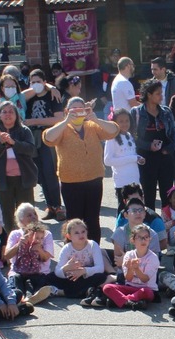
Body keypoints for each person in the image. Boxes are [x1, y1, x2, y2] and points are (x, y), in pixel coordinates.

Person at [42, 97, 118, 243]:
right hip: (71, 183)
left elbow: (114, 130)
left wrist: (95, 118)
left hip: (94, 180)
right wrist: (65, 121)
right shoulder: (62, 128)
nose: (77, 113)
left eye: (80, 110)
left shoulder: (92, 125)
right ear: (66, 111)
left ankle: (94, 251)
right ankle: (73, 252)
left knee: (93, 219)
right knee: (74, 221)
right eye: (73, 110)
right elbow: (48, 138)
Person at [0, 101, 37, 236]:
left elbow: (31, 150)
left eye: (11, 112)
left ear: (16, 115)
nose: (8, 115)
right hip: (3, 179)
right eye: (4, 112)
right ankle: (9, 242)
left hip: (24, 178)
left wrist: (14, 143)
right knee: (6, 213)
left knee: (27, 213)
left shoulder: (24, 130)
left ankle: (30, 240)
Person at [23, 69, 64, 221]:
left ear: (44, 82)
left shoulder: (53, 96)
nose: (35, 85)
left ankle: (58, 206)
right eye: (32, 82)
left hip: (49, 137)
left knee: (50, 171)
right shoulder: (27, 98)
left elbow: (58, 119)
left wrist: (34, 121)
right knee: (40, 174)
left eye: (38, 82)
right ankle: (50, 206)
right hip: (33, 138)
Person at [131, 79, 175, 210]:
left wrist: (168, 149)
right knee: (148, 195)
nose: (161, 96)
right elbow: (132, 137)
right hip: (145, 159)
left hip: (165, 158)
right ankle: (149, 226)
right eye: (158, 93)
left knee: (167, 195)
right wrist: (148, 146)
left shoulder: (166, 111)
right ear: (149, 94)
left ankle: (167, 225)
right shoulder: (136, 113)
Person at [3, 204, 57, 304]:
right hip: (18, 272)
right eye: (29, 215)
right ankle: (18, 298)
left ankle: (31, 297)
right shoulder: (15, 234)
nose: (34, 217)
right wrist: (19, 244)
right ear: (21, 219)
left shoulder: (46, 234)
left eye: (35, 214)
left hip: (38, 273)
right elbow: (6, 256)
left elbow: (46, 258)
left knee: (36, 280)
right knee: (15, 279)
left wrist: (39, 249)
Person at [101, 223, 159, 310]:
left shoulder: (153, 257)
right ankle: (131, 302)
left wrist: (136, 269)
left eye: (146, 237)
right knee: (107, 287)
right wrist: (130, 269)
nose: (143, 240)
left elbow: (145, 279)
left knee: (147, 292)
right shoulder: (129, 255)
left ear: (149, 239)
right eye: (140, 237)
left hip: (146, 288)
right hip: (130, 287)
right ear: (133, 240)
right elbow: (128, 279)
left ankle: (123, 300)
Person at [104, 108, 143, 208]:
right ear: (114, 123)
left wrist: (138, 158)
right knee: (123, 209)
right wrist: (133, 158)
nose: (124, 124)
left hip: (134, 180)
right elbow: (107, 161)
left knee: (135, 208)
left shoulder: (130, 135)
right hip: (122, 182)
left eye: (127, 121)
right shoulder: (111, 138)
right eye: (120, 121)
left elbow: (132, 155)